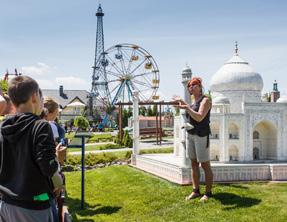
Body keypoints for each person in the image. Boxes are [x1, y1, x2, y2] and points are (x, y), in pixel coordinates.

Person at [0, 76, 60, 221]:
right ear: (34, 97)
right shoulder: (41, 126)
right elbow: (48, 166)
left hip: (6, 204)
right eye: (41, 96)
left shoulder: (3, 127)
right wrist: (56, 161)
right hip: (34, 204)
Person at [173, 77, 213, 202]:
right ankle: (195, 190)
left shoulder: (205, 100)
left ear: (200, 86)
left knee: (205, 165)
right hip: (191, 134)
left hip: (201, 135)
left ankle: (208, 192)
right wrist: (181, 106)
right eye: (189, 85)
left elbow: (200, 117)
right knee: (193, 164)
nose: (190, 87)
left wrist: (186, 107)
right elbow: (190, 115)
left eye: (193, 84)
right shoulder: (192, 102)